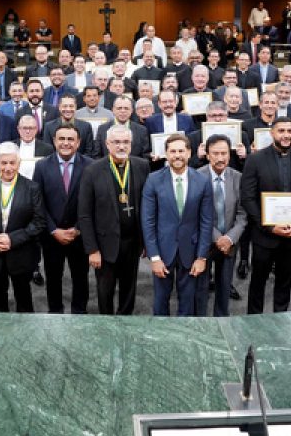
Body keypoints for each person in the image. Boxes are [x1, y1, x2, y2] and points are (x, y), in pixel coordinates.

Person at [240, 116, 291, 314]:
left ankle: (280, 320)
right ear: (272, 133)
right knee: (258, 282)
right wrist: (269, 226)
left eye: (290, 131)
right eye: (281, 131)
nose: (286, 135)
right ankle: (254, 320)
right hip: (264, 236)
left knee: (285, 282)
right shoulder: (255, 160)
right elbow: (247, 197)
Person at [78, 124, 151, 315]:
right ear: (107, 144)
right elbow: (84, 214)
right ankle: (106, 325)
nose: (121, 146)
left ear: (131, 144)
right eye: (116, 142)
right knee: (105, 291)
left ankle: (126, 322)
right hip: (104, 244)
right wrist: (92, 249)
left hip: (132, 242)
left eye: (126, 142)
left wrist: (145, 241)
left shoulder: (142, 166)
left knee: (129, 289)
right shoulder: (92, 170)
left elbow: (147, 207)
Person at [141, 133, 214, 316]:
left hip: (191, 249)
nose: (177, 155)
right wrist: (154, 257)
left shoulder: (202, 181)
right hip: (163, 251)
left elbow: (206, 221)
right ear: (166, 153)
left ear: (189, 153)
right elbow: (148, 221)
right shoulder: (153, 179)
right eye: (172, 151)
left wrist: (202, 257)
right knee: (160, 301)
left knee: (187, 302)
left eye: (181, 151)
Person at [0, 142, 45, 313]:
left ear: (19, 164)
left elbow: (39, 222)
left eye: (12, 163)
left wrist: (12, 239)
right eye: (4, 163)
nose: (8, 167)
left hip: (21, 253)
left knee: (24, 299)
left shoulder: (32, 188)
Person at [34, 125, 91, 314]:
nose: (66, 143)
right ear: (54, 141)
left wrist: (78, 228)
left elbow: (93, 202)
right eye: (61, 139)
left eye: (70, 139)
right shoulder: (41, 166)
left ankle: (79, 312)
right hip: (52, 235)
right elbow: (38, 202)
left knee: (81, 277)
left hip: (80, 234)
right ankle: (55, 312)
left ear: (78, 142)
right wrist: (52, 230)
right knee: (53, 277)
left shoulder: (91, 165)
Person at [195, 135, 246, 316]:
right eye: (215, 153)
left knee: (224, 286)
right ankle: (200, 323)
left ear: (229, 155)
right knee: (200, 288)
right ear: (207, 155)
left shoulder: (239, 178)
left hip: (230, 243)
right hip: (203, 242)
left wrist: (230, 238)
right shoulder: (196, 177)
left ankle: (221, 320)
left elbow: (242, 213)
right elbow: (196, 214)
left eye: (224, 153)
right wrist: (218, 238)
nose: (220, 158)